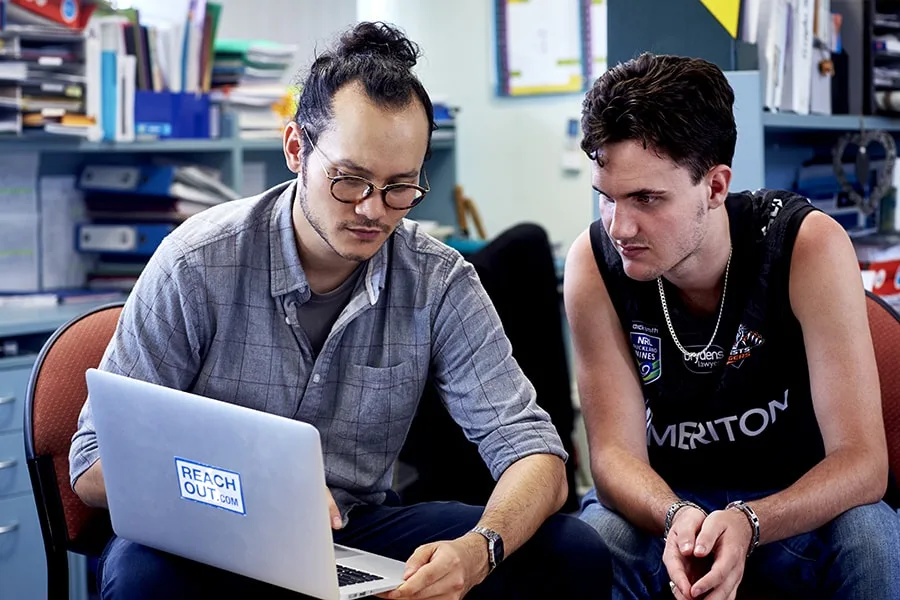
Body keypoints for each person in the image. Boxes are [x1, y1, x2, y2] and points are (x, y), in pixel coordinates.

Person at [69, 20, 611, 600]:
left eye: (401, 188)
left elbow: (536, 454)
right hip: (209, 541)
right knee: (138, 576)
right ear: (296, 149)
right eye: (349, 180)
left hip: (353, 534)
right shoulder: (196, 263)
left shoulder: (438, 280)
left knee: (571, 551)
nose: (374, 211)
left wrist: (481, 549)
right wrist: (247, 490)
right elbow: (92, 463)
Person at [565, 52, 900, 600]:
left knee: (871, 537)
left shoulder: (804, 245)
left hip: (795, 506)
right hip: (674, 508)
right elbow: (612, 457)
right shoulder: (594, 262)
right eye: (607, 197)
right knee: (594, 540)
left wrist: (750, 520)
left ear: (716, 186)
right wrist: (675, 516)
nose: (619, 226)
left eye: (647, 198)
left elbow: (863, 465)